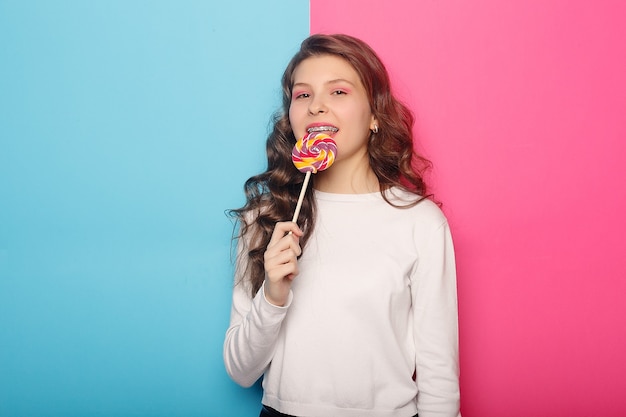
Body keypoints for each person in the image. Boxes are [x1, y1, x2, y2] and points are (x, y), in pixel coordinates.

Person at [224, 33, 461, 417]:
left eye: (338, 93)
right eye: (303, 95)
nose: (317, 106)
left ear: (373, 116)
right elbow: (240, 371)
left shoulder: (420, 222)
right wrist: (272, 295)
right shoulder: (265, 218)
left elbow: (439, 376)